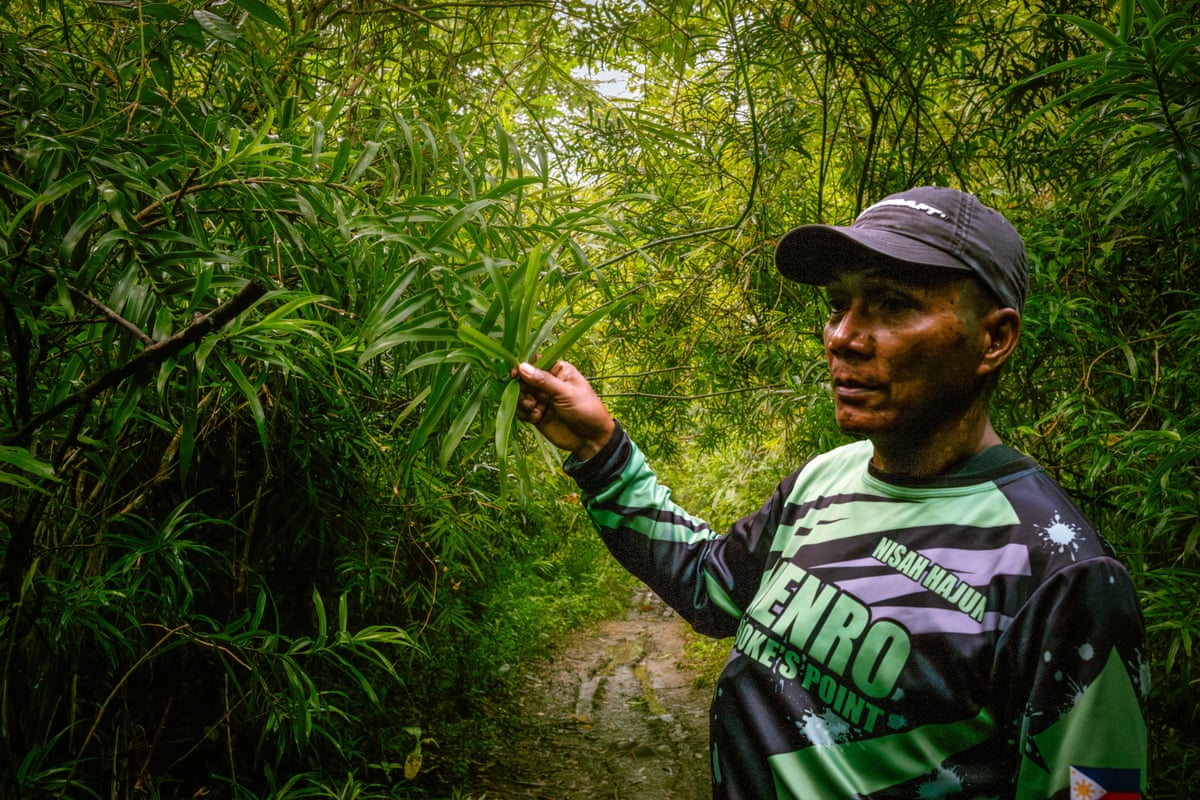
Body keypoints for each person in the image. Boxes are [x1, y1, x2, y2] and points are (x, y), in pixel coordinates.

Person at [513, 186, 1148, 799]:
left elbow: (1099, 787)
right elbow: (710, 587)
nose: (844, 336)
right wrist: (599, 451)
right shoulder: (827, 478)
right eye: (839, 305)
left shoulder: (1063, 576)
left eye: (893, 305)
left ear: (994, 338)